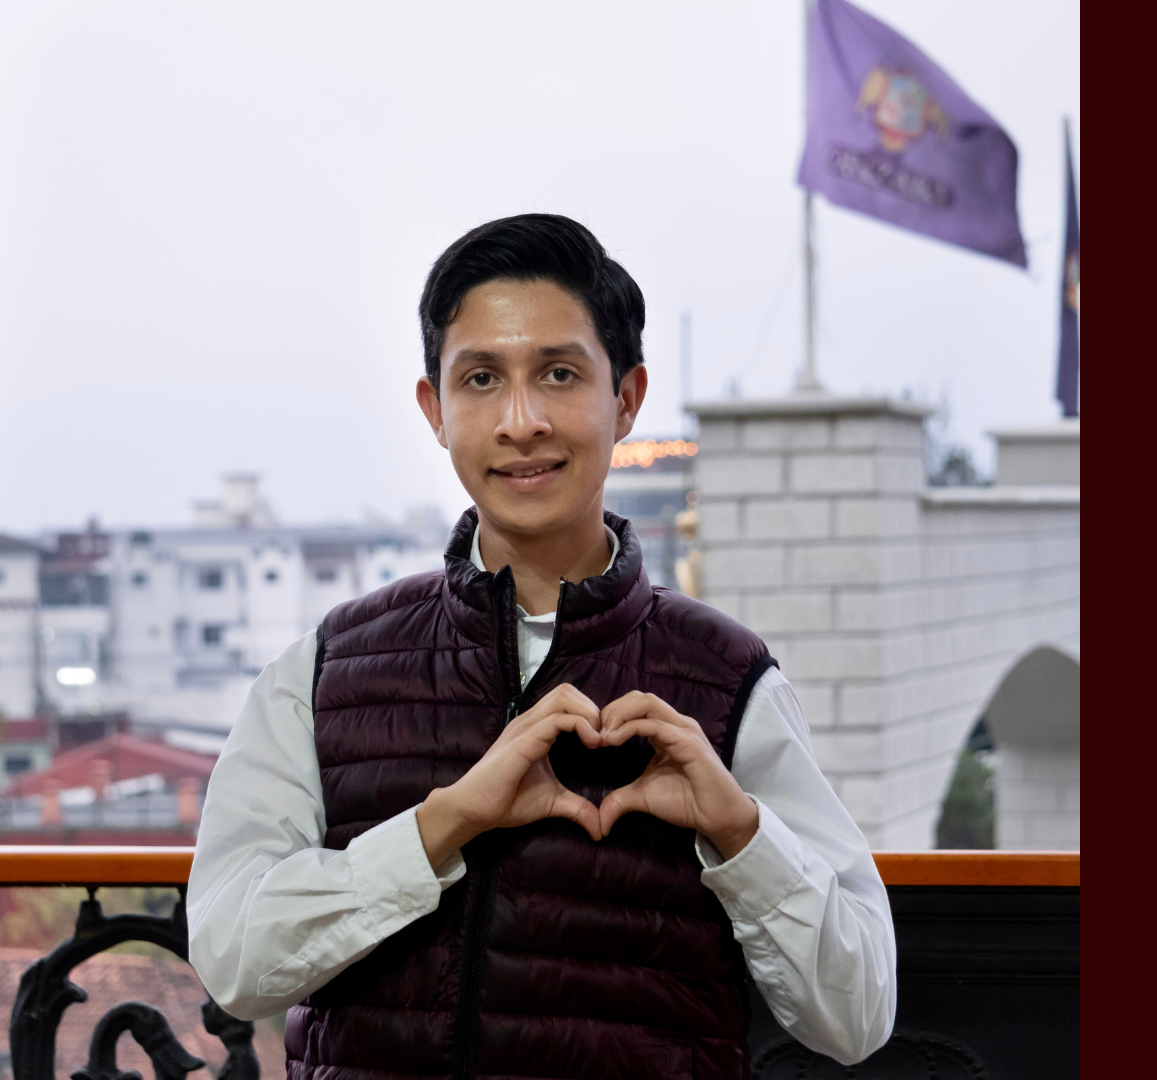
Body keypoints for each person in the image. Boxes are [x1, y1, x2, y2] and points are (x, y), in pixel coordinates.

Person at [187, 214, 897, 1080]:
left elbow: (858, 1016)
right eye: (481, 378)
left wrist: (739, 831)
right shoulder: (324, 672)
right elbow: (229, 959)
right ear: (435, 410)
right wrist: (447, 823)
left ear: (626, 398)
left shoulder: (728, 681)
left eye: (559, 374)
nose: (521, 421)